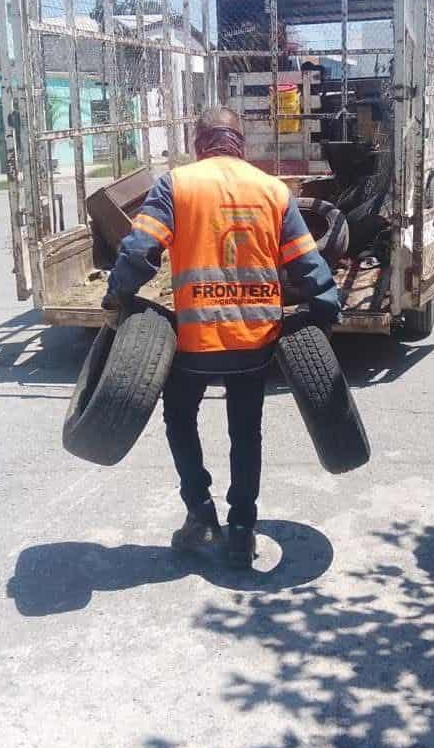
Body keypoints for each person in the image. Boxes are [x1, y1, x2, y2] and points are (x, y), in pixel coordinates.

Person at [102, 106, 340, 568]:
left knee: (180, 419)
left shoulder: (178, 184)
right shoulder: (273, 191)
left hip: (195, 342)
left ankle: (201, 515)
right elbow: (305, 261)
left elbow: (140, 248)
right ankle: (243, 533)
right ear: (241, 146)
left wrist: (118, 295)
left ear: (198, 143)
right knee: (246, 432)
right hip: (255, 341)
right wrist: (327, 308)